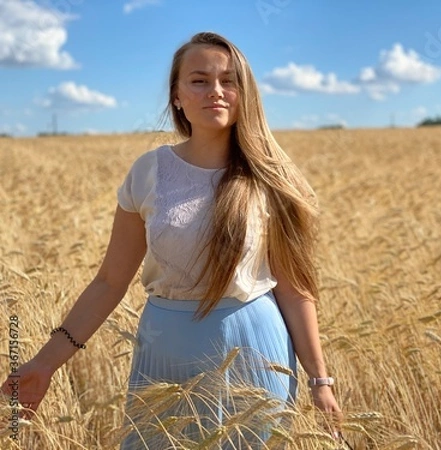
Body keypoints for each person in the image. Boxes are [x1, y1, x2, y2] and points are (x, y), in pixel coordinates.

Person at [1, 31, 342, 448]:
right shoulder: (149, 172)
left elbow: (293, 287)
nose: (215, 91)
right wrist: (44, 363)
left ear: (244, 93)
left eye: (228, 81)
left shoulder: (270, 177)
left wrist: (319, 380)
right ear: (177, 95)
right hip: (164, 353)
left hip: (255, 353)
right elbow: (109, 281)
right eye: (199, 80)